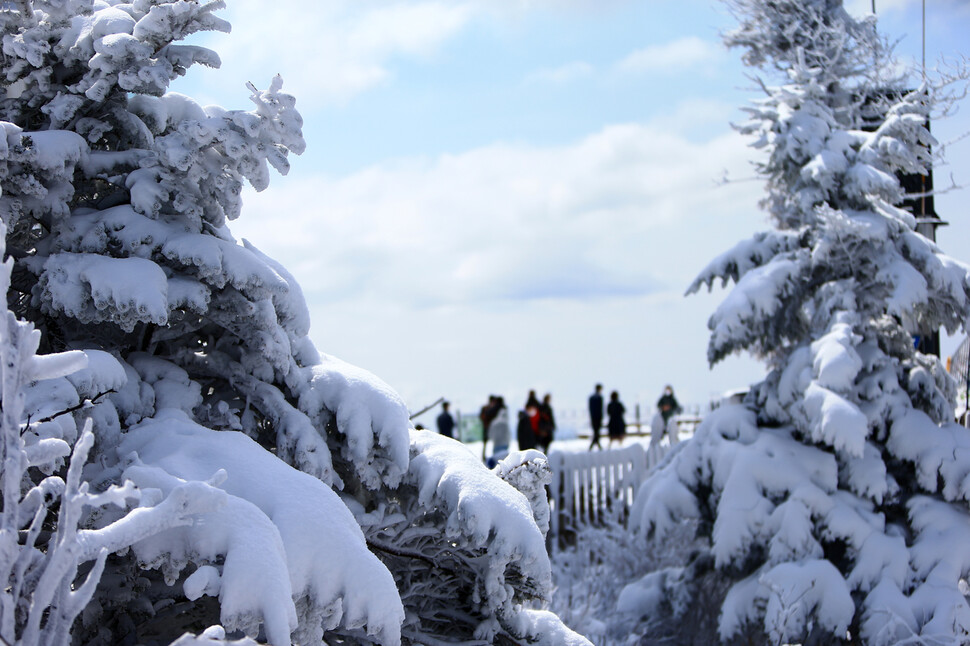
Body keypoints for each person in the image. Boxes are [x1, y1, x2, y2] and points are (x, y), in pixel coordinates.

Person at [487, 397, 510, 468]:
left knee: (496, 464)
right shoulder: (505, 423)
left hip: (496, 444)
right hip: (504, 445)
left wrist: (494, 439)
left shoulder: (494, 422)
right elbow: (508, 434)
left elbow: (490, 434)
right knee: (504, 463)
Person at [588, 383, 604, 450]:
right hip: (598, 418)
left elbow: (590, 408)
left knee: (596, 432)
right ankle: (595, 446)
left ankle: (594, 446)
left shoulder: (591, 398)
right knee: (596, 432)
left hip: (593, 417)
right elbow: (601, 409)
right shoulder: (600, 398)